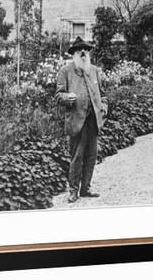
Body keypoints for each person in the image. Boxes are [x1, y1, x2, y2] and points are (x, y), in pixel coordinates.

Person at [55, 36, 108, 203]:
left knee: (92, 155)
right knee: (77, 156)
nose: (83, 52)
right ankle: (73, 191)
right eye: (79, 50)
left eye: (85, 49)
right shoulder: (66, 71)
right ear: (74, 54)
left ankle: (86, 188)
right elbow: (58, 94)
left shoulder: (94, 71)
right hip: (77, 120)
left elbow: (103, 94)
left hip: (93, 120)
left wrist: (104, 106)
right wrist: (66, 98)